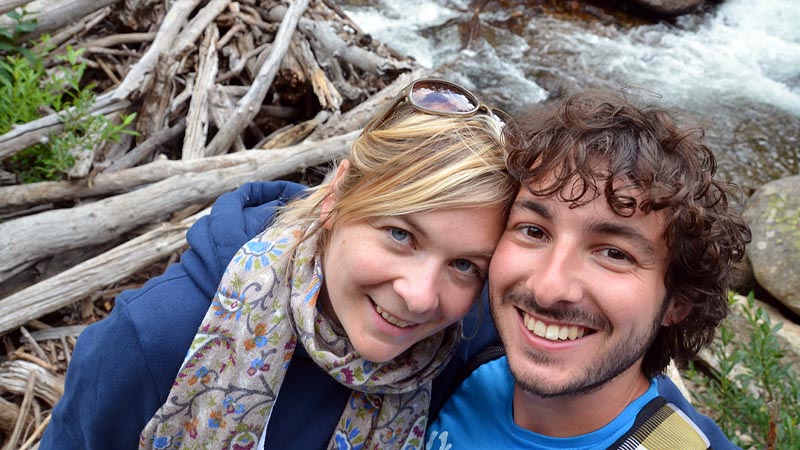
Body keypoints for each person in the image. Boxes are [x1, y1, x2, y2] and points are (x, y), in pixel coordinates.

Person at [40, 78, 518, 450]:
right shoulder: (154, 337)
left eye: (464, 265)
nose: (419, 296)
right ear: (336, 196)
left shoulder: (458, 349)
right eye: (400, 235)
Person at [426, 90, 752, 450]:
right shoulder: (447, 343)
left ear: (678, 302)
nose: (548, 289)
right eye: (534, 231)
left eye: (613, 253)